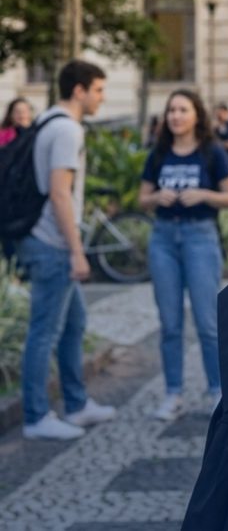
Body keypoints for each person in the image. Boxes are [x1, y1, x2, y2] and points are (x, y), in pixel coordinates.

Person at [19, 60, 116, 440]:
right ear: (79, 90)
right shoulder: (66, 131)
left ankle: (76, 404)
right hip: (53, 245)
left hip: (45, 241)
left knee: (73, 325)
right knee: (44, 332)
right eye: (98, 90)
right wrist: (76, 251)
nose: (101, 98)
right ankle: (35, 416)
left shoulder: (47, 122)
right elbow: (60, 193)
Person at [140, 90, 228, 421]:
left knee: (208, 322)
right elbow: (142, 199)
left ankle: (217, 392)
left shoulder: (212, 153)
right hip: (163, 239)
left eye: (183, 110)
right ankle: (173, 394)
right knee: (169, 324)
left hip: (200, 236)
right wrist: (157, 197)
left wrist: (204, 194)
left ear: (196, 115)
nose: (176, 116)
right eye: (171, 110)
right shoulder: (158, 153)